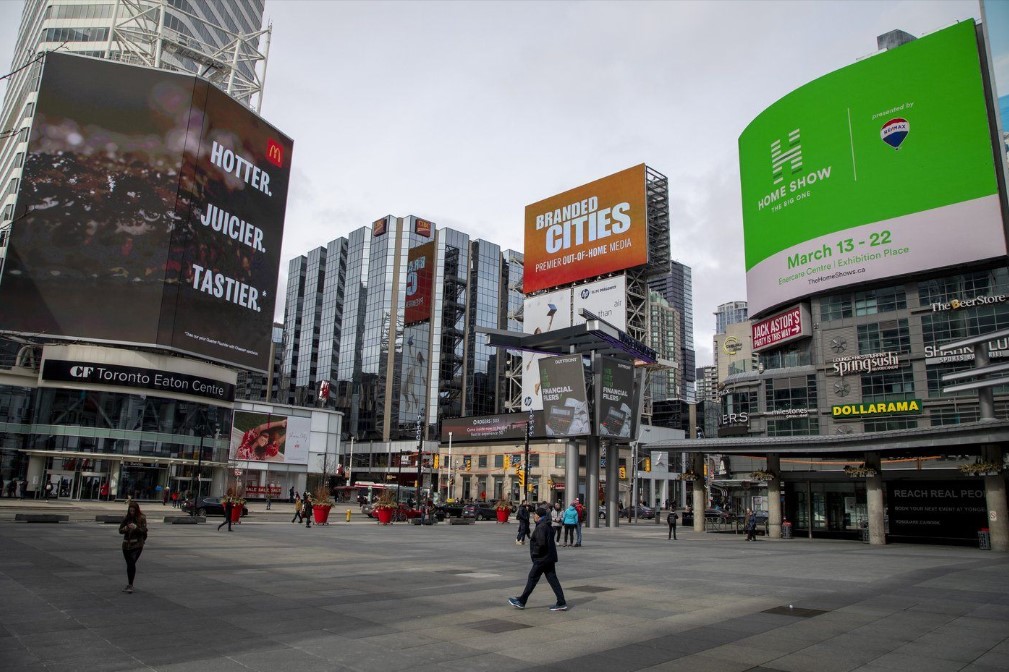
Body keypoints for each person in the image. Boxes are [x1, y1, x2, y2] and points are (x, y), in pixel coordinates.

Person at [508, 506, 567, 612]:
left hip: (542, 559)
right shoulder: (547, 525)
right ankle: (561, 602)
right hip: (549, 557)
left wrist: (535, 555)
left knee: (532, 578)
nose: (533, 516)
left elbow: (541, 543)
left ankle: (522, 601)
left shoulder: (541, 527)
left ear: (538, 516)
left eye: (534, 514)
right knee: (553, 580)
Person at [119, 501, 148, 594]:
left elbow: (144, 530)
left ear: (137, 510)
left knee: (131, 563)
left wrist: (136, 528)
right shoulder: (126, 518)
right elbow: (120, 530)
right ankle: (129, 584)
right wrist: (126, 528)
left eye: (133, 511)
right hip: (126, 545)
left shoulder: (142, 518)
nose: (131, 512)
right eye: (130, 510)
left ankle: (130, 585)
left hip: (137, 545)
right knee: (129, 564)